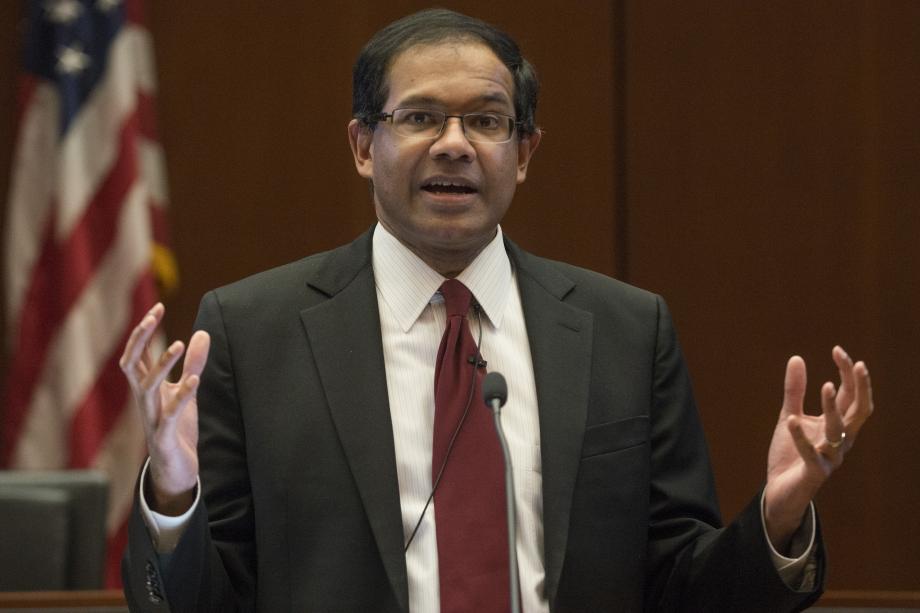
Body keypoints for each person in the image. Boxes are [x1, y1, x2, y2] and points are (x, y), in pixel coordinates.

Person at [119, 9, 874, 613]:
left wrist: (775, 520)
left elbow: (681, 588)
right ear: (361, 144)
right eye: (418, 118)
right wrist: (174, 495)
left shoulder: (624, 330)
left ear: (525, 152)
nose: (454, 145)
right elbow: (195, 601)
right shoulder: (256, 333)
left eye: (486, 120)